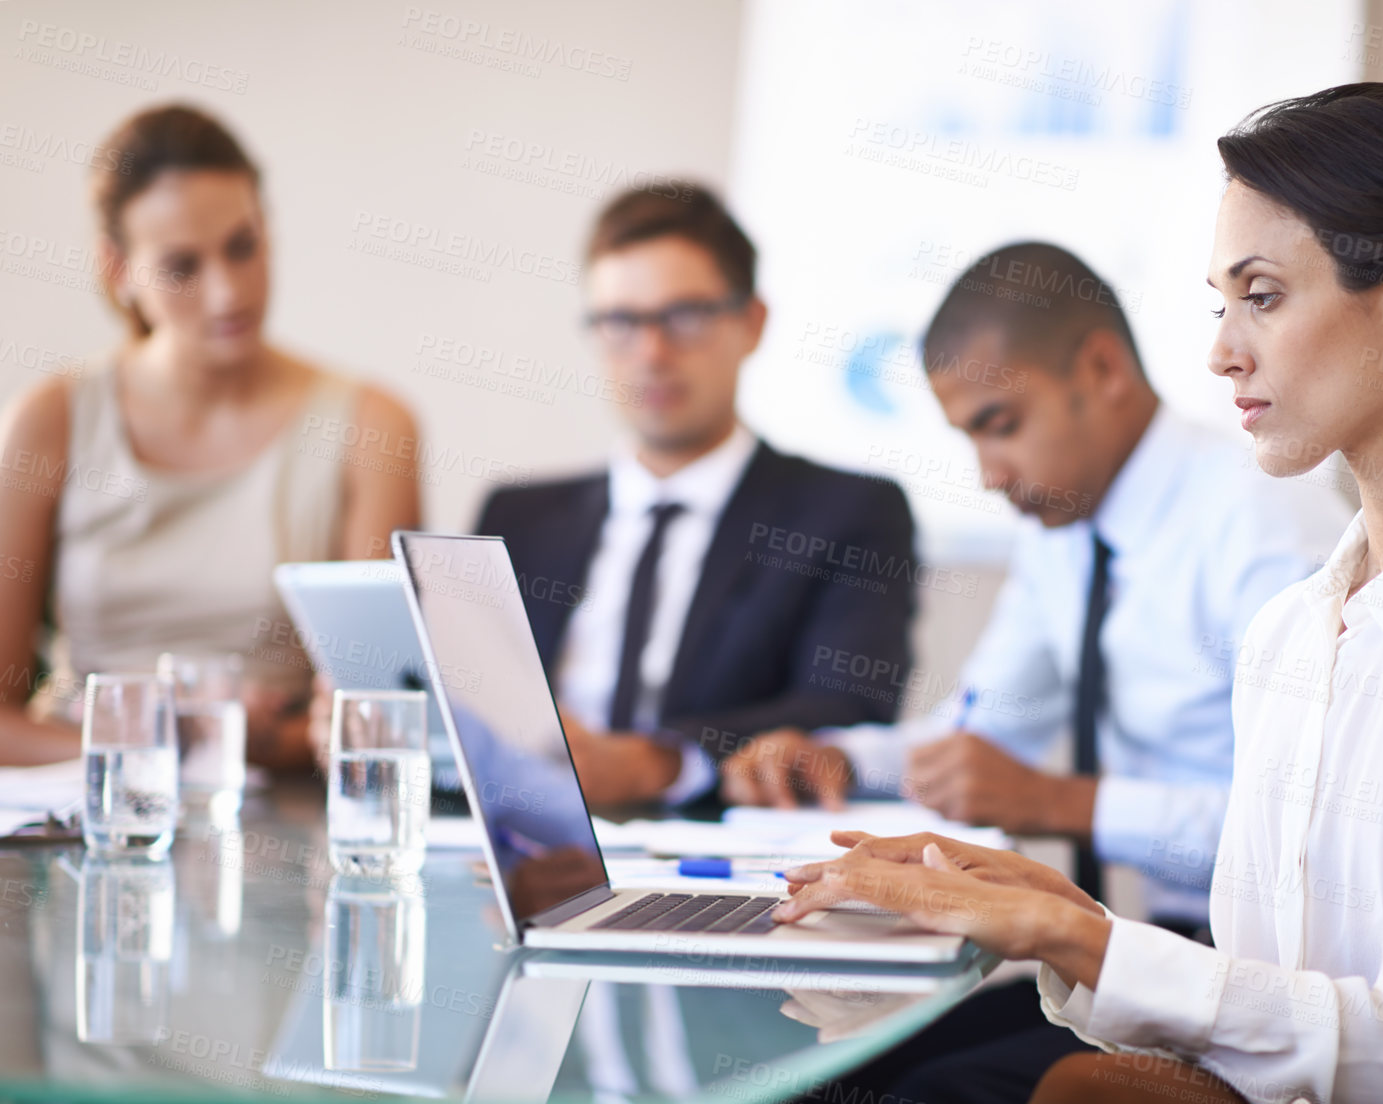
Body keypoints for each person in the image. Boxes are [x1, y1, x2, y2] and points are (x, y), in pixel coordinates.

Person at [771, 82, 1383, 1104]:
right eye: (1220, 304)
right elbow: (1268, 1003)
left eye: (1261, 295)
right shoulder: (1293, 630)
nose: (1223, 351)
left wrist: (1069, 931)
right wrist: (1057, 917)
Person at [708, 242, 1349, 1104]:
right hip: (1137, 944)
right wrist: (842, 758)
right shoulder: (1066, 533)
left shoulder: (1262, 525)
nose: (988, 473)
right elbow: (977, 732)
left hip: (1260, 978)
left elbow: (1305, 839)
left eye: (999, 423)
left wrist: (1058, 803)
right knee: (804, 1075)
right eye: (969, 435)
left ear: (1100, 368)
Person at [0, 104, 419, 769]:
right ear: (118, 269)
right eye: (181, 267)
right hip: (83, 806)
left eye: (242, 247)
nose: (228, 294)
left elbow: (371, 719)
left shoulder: (371, 426)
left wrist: (247, 746)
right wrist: (174, 744)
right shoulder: (48, 420)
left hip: (275, 817)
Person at [474, 184, 917, 807]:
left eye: (686, 316)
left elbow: (848, 706)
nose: (652, 353)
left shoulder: (847, 512)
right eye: (621, 322)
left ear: (752, 323)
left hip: (712, 856)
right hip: (525, 836)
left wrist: (655, 764)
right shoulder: (518, 517)